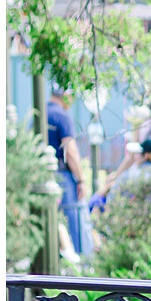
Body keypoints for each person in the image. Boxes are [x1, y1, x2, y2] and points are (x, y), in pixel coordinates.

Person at [46, 86, 93, 257]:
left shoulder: (39, 114)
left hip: (42, 176)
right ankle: (83, 265)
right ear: (65, 96)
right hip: (62, 175)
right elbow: (70, 150)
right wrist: (81, 179)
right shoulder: (62, 116)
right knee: (75, 220)